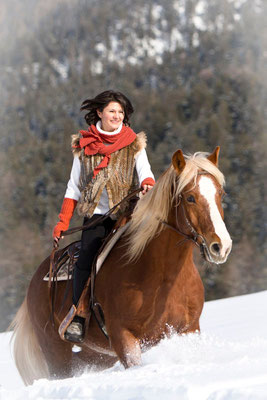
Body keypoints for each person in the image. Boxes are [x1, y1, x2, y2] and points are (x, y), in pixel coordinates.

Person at [53, 90, 155, 342]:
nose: (117, 116)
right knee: (86, 259)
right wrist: (62, 223)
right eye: (112, 111)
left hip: (127, 215)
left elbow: (145, 171)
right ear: (99, 112)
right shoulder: (82, 145)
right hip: (97, 217)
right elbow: (73, 187)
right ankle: (78, 314)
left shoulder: (134, 142)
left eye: (121, 112)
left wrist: (148, 183)